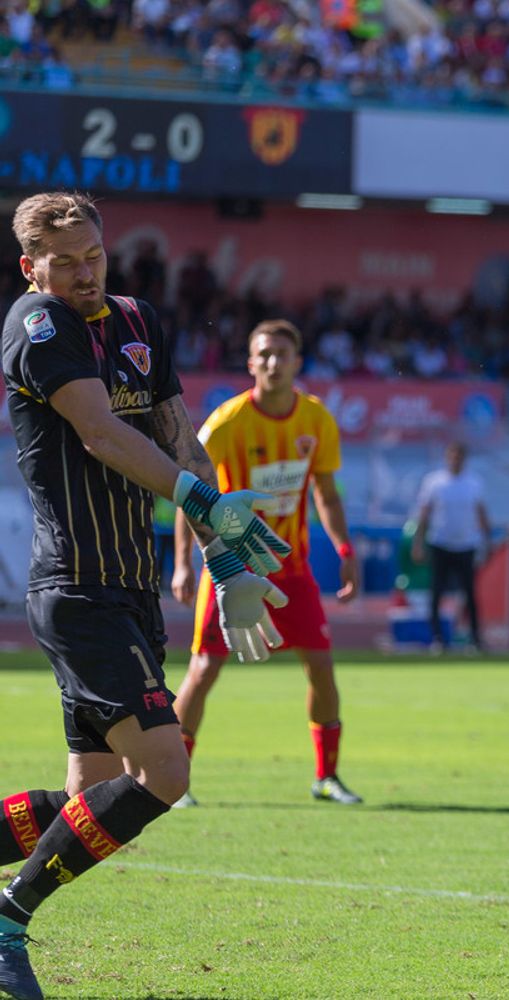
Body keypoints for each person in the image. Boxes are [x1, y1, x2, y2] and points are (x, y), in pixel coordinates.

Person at [0, 191, 291, 999]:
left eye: (93, 255)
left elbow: (177, 439)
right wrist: (200, 506)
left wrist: (226, 563)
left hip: (128, 591)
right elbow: (100, 432)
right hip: (76, 587)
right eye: (65, 262)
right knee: (166, 772)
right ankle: (8, 917)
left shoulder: (136, 320)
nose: (85, 273)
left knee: (86, 801)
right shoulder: (35, 325)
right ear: (32, 268)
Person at [171, 319, 364, 806]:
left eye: (283, 354)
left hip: (292, 568)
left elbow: (326, 494)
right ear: (251, 362)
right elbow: (189, 493)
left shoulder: (317, 421)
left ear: (299, 362)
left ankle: (327, 777)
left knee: (321, 667)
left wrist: (344, 549)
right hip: (231, 568)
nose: (274, 363)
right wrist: (183, 564)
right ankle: (173, 781)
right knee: (202, 670)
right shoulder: (226, 424)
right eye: (265, 354)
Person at [412, 441, 491, 652]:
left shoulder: (474, 483)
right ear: (447, 457)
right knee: (437, 593)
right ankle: (438, 638)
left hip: (466, 545)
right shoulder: (434, 482)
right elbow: (424, 514)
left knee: (470, 594)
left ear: (464, 459)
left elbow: (482, 514)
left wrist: (486, 541)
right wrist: (418, 542)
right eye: (452, 456)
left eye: (459, 456)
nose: (455, 460)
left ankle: (475, 638)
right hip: (440, 543)